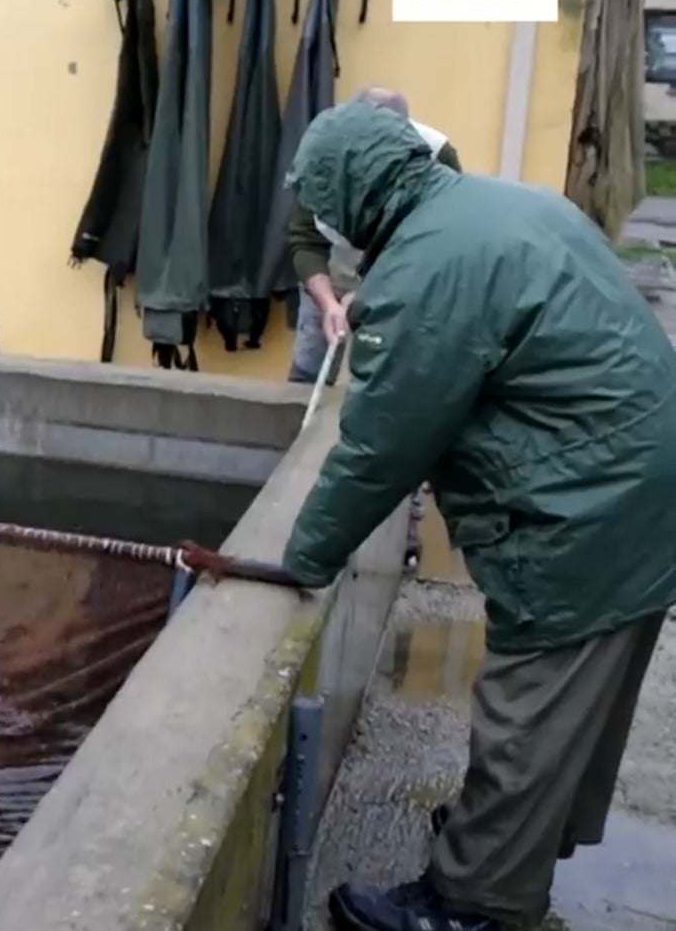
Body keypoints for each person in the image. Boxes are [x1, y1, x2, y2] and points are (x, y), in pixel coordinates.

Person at [280, 99, 676, 931]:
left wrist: (301, 560)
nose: (332, 227)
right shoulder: (500, 204)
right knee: (580, 703)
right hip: (638, 491)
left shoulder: (429, 270)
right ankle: (514, 843)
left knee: (526, 713)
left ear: (357, 190)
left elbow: (381, 448)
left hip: (585, 516)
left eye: (328, 205)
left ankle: (475, 904)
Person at [286, 86, 460, 383]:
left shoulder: (436, 154)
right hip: (331, 277)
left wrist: (373, 291)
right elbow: (304, 240)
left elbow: (439, 242)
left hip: (401, 280)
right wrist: (328, 304)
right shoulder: (324, 151)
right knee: (311, 367)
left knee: (387, 374)